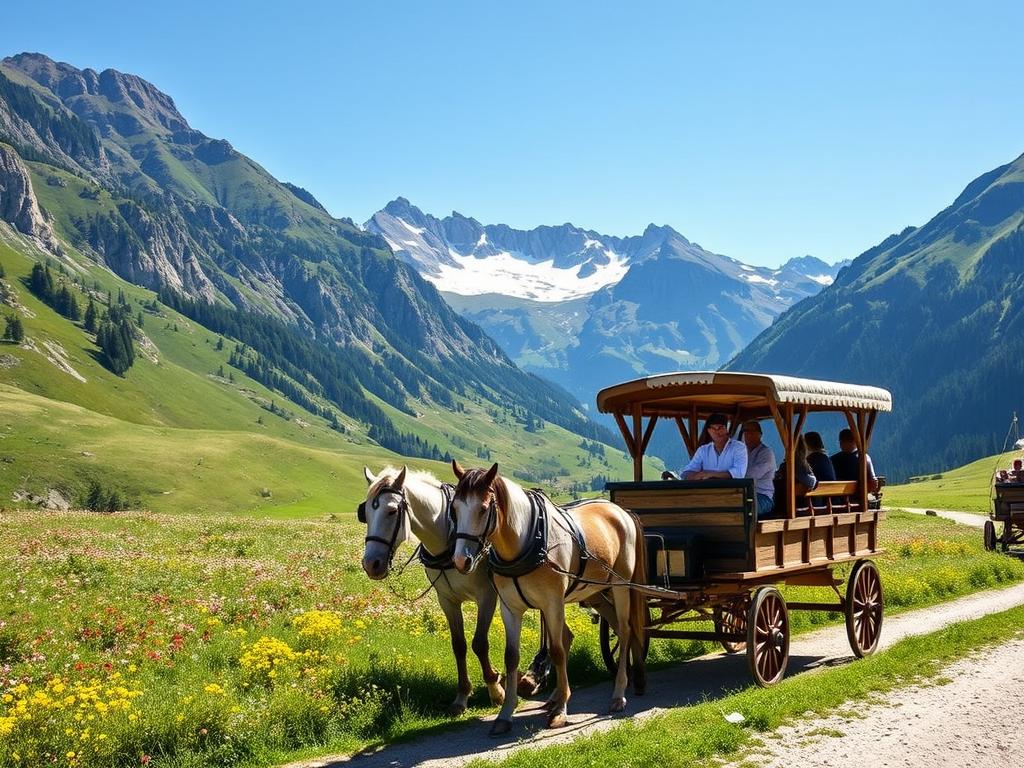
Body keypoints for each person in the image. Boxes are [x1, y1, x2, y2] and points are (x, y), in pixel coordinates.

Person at [679, 413, 748, 480]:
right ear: (709, 431)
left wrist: (710, 474)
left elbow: (739, 473)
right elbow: (686, 473)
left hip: (734, 491)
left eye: (720, 428)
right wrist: (698, 476)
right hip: (707, 491)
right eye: (713, 428)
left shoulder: (738, 447)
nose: (717, 432)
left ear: (726, 429)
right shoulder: (703, 450)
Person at [742, 420, 776, 519]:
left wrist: (730, 474)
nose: (748, 434)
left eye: (751, 431)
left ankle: (747, 534)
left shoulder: (766, 453)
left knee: (742, 506)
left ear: (760, 434)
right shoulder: (743, 452)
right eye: (745, 431)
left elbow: (752, 475)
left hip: (763, 497)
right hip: (744, 493)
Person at [775, 434, 818, 512]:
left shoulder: (794, 465)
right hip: (802, 504)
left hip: (787, 507)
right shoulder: (805, 465)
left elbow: (810, 482)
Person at [831, 428, 878, 492]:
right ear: (855, 441)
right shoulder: (866, 458)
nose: (840, 445)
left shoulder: (834, 459)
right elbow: (873, 481)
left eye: (841, 442)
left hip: (840, 497)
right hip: (861, 496)